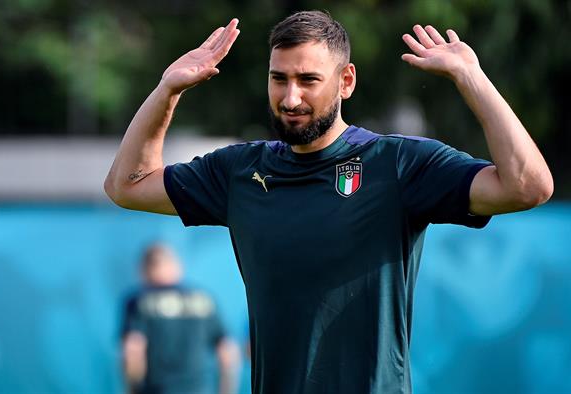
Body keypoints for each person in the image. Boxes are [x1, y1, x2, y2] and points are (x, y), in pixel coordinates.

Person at [105, 10, 553, 394]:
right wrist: (168, 89)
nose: (290, 97)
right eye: (278, 79)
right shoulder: (239, 172)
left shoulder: (397, 163)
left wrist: (471, 78)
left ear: (346, 81)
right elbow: (128, 185)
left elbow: (528, 185)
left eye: (308, 80)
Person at [121, 244, 239, 394]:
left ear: (145, 268)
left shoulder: (139, 300)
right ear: (176, 265)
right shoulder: (204, 299)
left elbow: (133, 349)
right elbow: (227, 350)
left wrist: (132, 390)